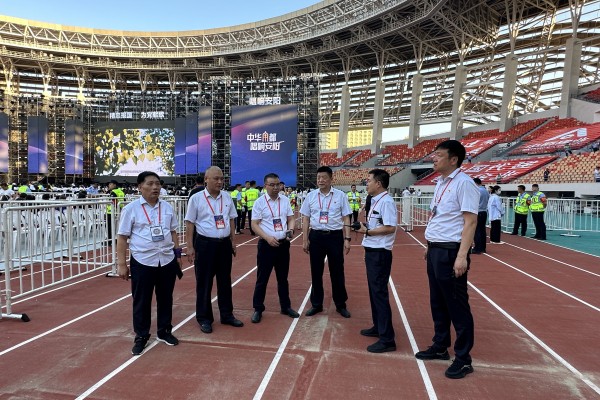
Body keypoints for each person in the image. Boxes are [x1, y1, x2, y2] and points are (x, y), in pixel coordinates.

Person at [416, 139, 478, 380]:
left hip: (451, 251)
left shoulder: (464, 183)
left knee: (456, 304)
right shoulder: (441, 182)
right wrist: (429, 245)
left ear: (453, 159)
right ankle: (441, 345)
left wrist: (462, 256)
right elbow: (439, 216)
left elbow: (470, 222)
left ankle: (463, 359)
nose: (434, 158)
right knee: (438, 301)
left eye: (439, 155)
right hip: (436, 249)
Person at [116, 171, 182, 356]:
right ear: (140, 187)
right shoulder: (131, 209)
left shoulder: (167, 207)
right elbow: (122, 237)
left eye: (158, 184)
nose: (155, 187)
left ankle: (164, 331)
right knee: (141, 301)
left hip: (166, 260)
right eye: (150, 184)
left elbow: (173, 232)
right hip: (143, 261)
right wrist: (121, 264)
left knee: (166, 298)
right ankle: (141, 335)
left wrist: (177, 255)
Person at [185, 166, 243, 334]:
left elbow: (231, 219)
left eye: (222, 179)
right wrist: (190, 247)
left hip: (224, 244)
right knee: (204, 283)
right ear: (206, 180)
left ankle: (227, 315)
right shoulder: (196, 198)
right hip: (205, 245)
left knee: (225, 281)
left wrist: (233, 241)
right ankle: (204, 318)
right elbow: (190, 223)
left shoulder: (227, 197)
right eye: (216, 178)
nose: (220, 182)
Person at [354, 169, 398, 353]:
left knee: (379, 293)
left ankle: (387, 339)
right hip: (372, 249)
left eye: (369, 180)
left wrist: (367, 231)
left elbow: (390, 227)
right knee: (374, 292)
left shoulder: (386, 202)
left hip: (380, 252)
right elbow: (378, 224)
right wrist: (365, 227)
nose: (367, 183)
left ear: (378, 183)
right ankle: (378, 326)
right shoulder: (375, 200)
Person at [300, 166, 352, 318]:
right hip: (316, 237)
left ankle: (340, 304)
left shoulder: (340, 196)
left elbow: (346, 217)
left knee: (337, 271)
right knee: (316, 271)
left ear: (331, 179)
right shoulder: (311, 196)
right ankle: (316, 304)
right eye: (318, 178)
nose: (320, 180)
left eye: (324, 177)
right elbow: (305, 218)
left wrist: (347, 239)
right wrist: (305, 239)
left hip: (335, 237)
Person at [250, 173, 299, 323]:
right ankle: (258, 308)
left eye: (278, 184)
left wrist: (291, 229)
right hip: (266, 246)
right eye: (272, 185)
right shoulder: (259, 203)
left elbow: (290, 218)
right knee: (262, 278)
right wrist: (267, 238)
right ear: (265, 186)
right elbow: (254, 224)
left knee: (283, 278)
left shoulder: (285, 200)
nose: (276, 187)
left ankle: (285, 306)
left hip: (283, 245)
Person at [472, 178, 489, 254]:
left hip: (478, 211)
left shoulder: (477, 190)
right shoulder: (486, 191)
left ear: (475, 183)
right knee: (482, 230)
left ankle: (477, 248)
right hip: (484, 211)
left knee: (477, 231)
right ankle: (483, 248)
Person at [106, 180, 125, 245]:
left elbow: (113, 202)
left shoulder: (113, 192)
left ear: (114, 185)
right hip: (119, 211)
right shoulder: (121, 191)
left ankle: (109, 241)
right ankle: (117, 239)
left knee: (110, 227)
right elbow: (124, 200)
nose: (109, 185)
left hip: (111, 212)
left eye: (110, 184)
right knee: (118, 227)